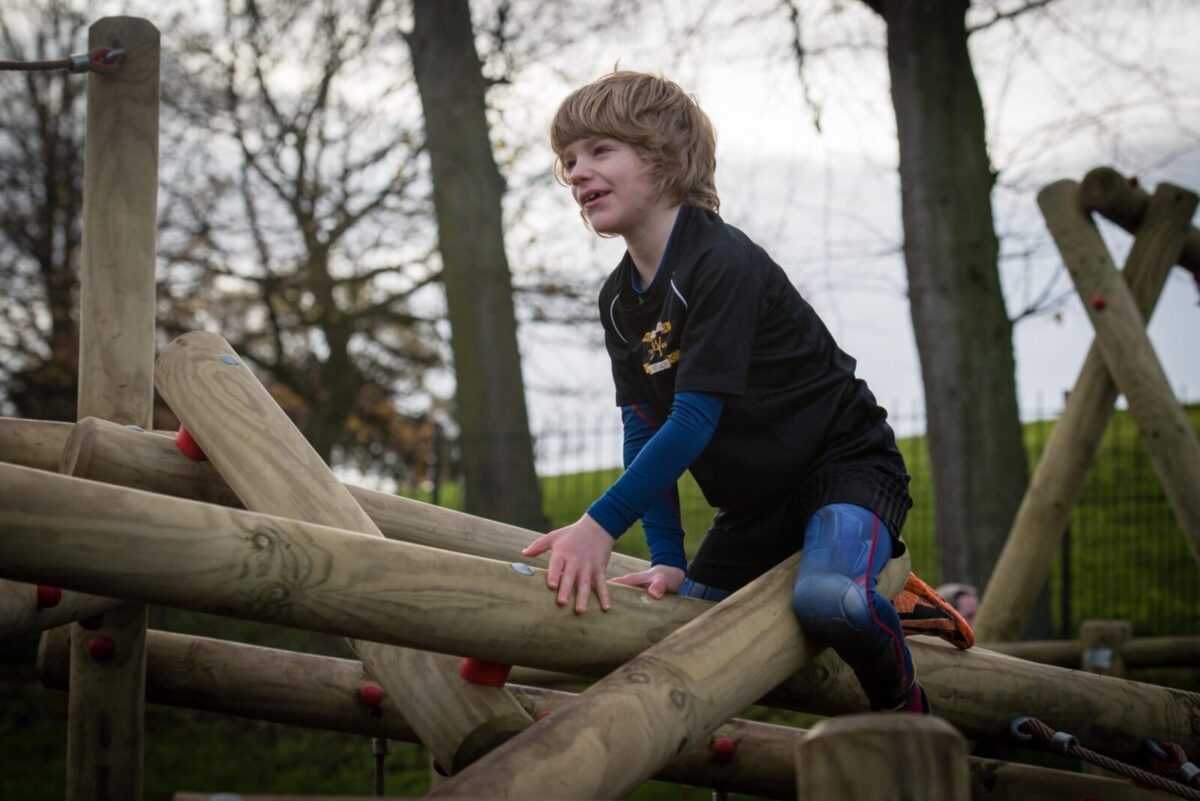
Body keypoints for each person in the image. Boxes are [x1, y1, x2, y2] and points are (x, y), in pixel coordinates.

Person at [524, 70, 930, 713]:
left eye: (600, 151)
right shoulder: (618, 301)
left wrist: (600, 525)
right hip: (754, 505)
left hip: (842, 465)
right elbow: (642, 430)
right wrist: (666, 557)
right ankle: (842, 572)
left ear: (664, 156)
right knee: (689, 628)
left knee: (830, 603)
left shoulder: (720, 261)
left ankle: (908, 709)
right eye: (568, 160)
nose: (576, 172)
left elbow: (691, 421)